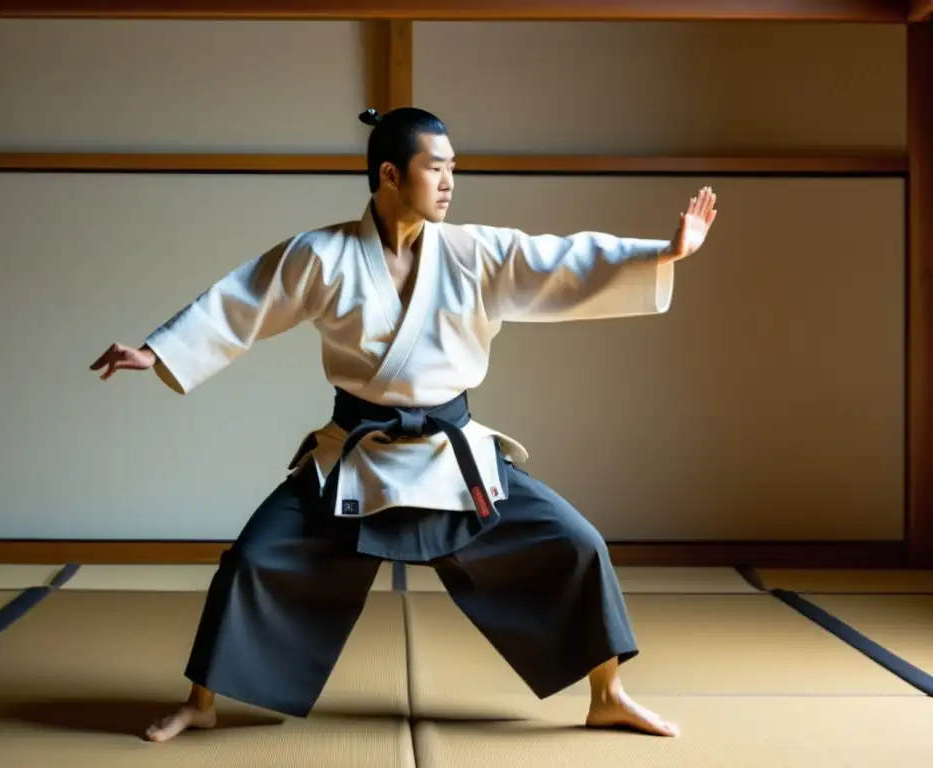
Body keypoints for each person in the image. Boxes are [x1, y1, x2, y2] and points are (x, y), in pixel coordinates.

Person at [90, 106, 717, 742]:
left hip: (453, 461)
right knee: (253, 559)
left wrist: (662, 254)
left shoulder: (474, 252)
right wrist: (159, 351)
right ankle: (201, 702)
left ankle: (607, 694)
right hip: (357, 460)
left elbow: (559, 261)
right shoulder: (323, 255)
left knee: (578, 545)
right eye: (435, 168)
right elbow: (244, 300)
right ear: (390, 174)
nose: (449, 182)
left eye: (453, 169)